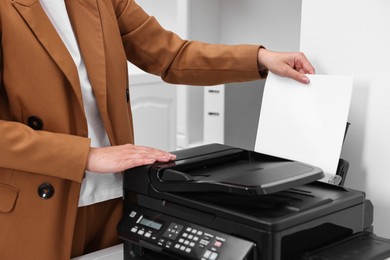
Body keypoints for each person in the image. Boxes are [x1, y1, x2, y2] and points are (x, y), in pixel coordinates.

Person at [0, 0, 315, 259]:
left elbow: (172, 55)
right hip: (37, 206)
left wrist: (260, 59)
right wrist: (86, 155)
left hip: (115, 198)